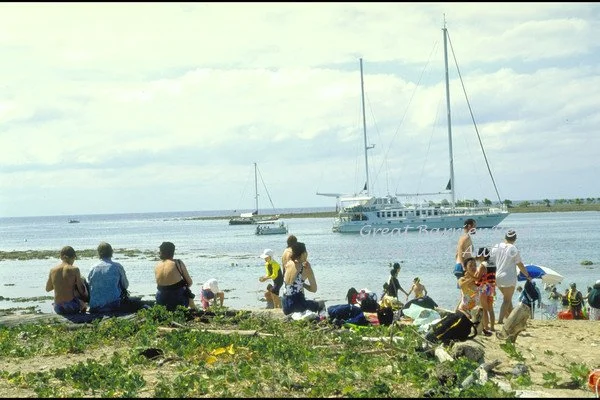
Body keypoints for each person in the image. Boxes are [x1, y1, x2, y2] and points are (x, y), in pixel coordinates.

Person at [490, 229, 531, 325]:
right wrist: (527, 275)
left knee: (507, 299)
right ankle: (500, 320)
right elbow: (520, 264)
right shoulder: (513, 248)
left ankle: (510, 318)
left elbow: (491, 261)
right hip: (508, 277)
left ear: (505, 237)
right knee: (507, 300)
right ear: (515, 239)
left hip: (497, 276)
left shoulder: (497, 246)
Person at [282, 241, 323, 315]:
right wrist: (303, 284)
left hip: (285, 305)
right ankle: (322, 319)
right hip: (297, 305)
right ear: (304, 254)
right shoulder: (305, 267)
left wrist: (300, 283)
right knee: (321, 304)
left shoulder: (288, 264)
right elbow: (314, 289)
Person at [87, 242, 130, 313]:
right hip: (113, 305)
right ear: (111, 252)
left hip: (95, 306)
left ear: (99, 253)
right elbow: (125, 285)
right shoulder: (117, 267)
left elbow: (89, 285)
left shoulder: (93, 268)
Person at [45, 246, 88, 315]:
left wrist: (58, 283)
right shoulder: (75, 269)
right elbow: (81, 291)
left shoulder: (53, 270)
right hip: (71, 306)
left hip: (57, 306)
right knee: (83, 304)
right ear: (74, 257)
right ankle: (83, 317)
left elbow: (48, 289)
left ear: (61, 257)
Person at [154, 241, 196, 311]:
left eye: (160, 251)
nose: (159, 253)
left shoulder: (157, 265)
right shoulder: (178, 263)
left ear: (163, 252)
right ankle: (194, 309)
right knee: (187, 290)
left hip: (161, 300)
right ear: (172, 252)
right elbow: (190, 282)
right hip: (176, 300)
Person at [476, 247, 496, 333]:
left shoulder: (483, 265)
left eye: (479, 256)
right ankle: (492, 327)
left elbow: (478, 277)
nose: (479, 258)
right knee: (491, 308)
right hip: (491, 287)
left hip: (484, 287)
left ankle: (486, 326)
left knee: (484, 308)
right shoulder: (493, 263)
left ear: (483, 255)